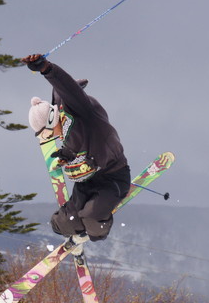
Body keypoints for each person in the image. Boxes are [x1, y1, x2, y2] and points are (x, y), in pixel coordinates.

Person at [21, 54, 130, 245]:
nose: (52, 138)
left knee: (90, 217)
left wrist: (46, 68)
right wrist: (66, 154)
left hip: (112, 177)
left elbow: (66, 87)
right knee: (62, 223)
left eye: (48, 133)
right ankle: (74, 230)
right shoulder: (62, 120)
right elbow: (60, 95)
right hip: (87, 181)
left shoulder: (80, 112)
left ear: (51, 121)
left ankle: (95, 230)